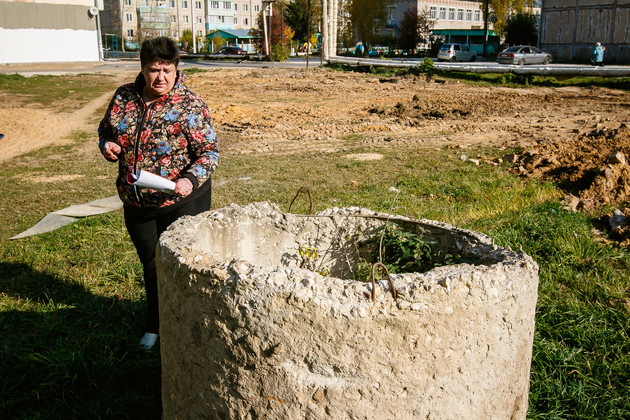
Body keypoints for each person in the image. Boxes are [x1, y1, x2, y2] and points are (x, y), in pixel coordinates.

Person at [98, 37, 219, 350]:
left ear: (176, 69)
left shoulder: (190, 104)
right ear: (142, 69)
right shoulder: (124, 96)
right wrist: (107, 145)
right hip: (136, 202)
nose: (160, 77)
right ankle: (156, 324)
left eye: (167, 70)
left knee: (183, 265)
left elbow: (209, 153)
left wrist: (190, 179)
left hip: (182, 200)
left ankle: (192, 326)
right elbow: (106, 129)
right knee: (152, 266)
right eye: (154, 70)